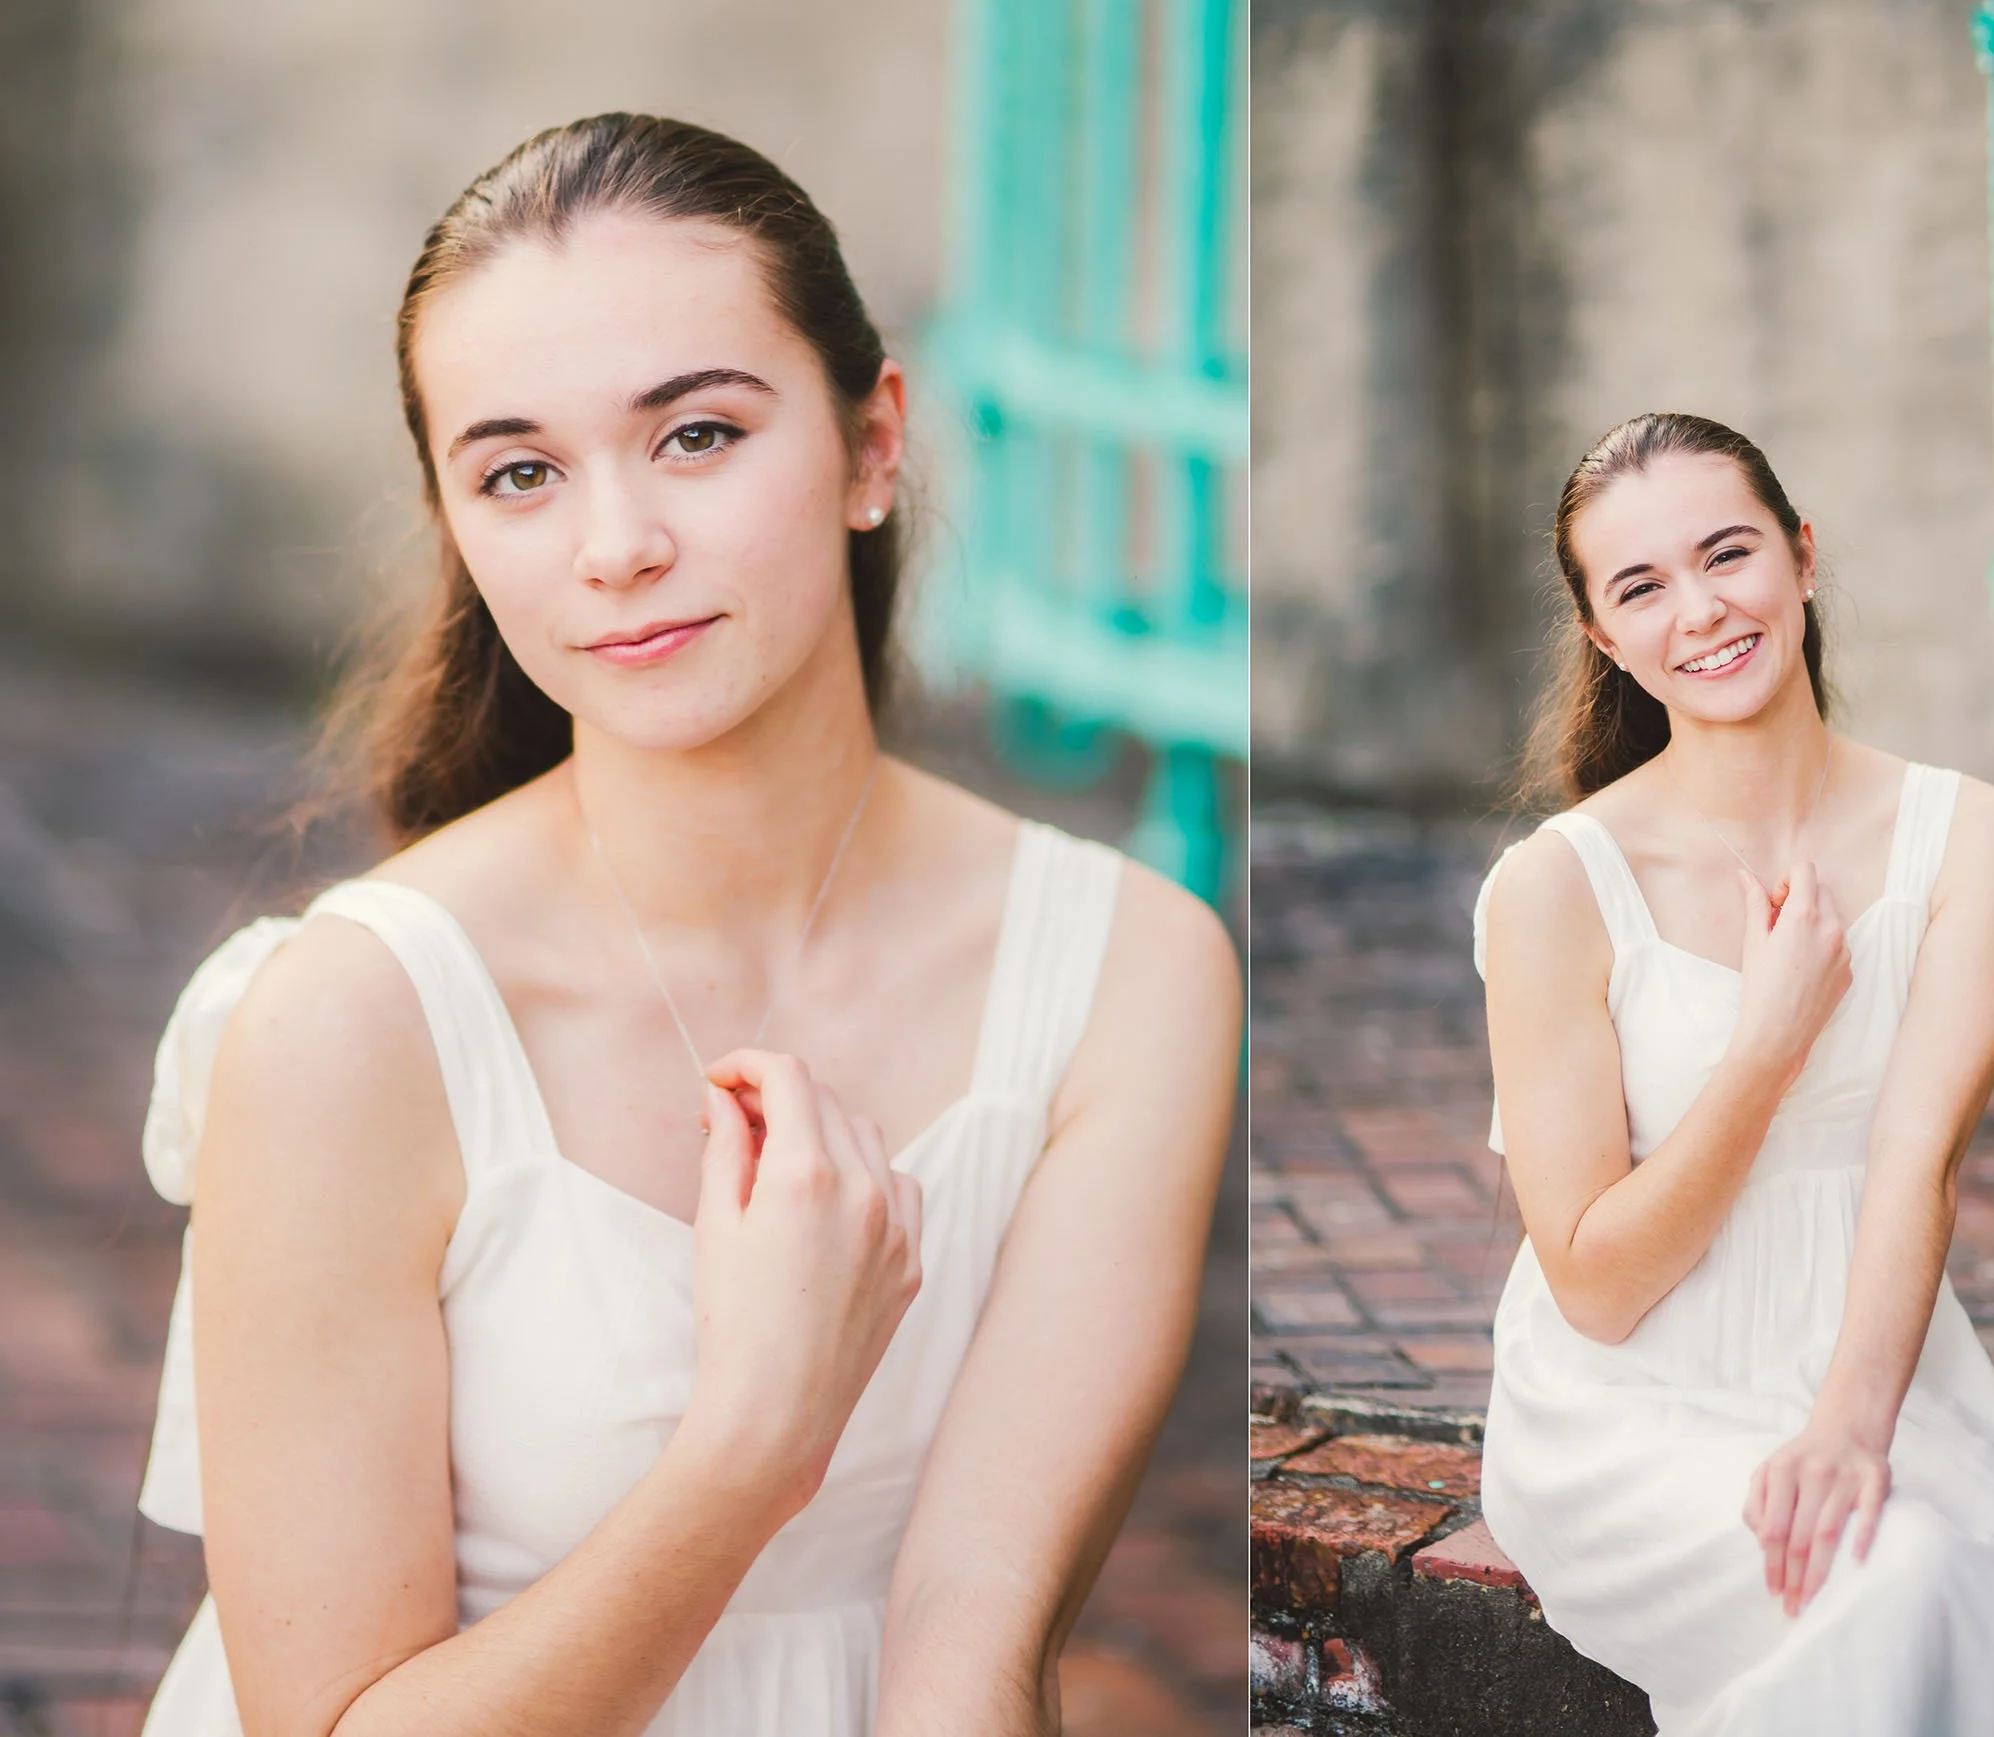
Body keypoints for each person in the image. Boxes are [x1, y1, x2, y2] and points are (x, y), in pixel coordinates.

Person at [131, 113, 1240, 1737]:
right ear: (460, 526)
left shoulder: (1126, 971)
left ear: (873, 445)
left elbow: (970, 1643)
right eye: (519, 473)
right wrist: (755, 1439)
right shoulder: (348, 1023)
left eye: (698, 436)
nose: (616, 546)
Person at [1471, 411, 1994, 1734]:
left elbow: (1916, 1157)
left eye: (1729, 554)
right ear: (1602, 636)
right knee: (1900, 1583)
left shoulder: (1964, 834)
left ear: (1803, 557)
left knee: (1949, 1578)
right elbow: (1594, 1282)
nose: (1702, 611)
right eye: (1642, 587)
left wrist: (1848, 1424)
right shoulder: (1558, 888)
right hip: (1633, 1404)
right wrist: (1767, 1044)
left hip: (1882, 1373)